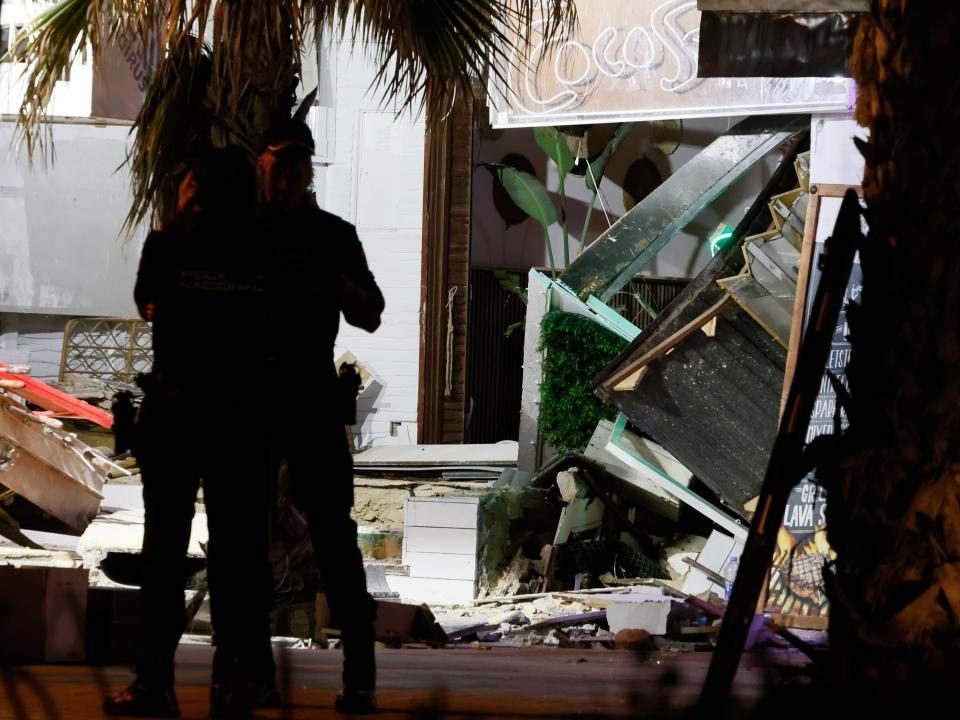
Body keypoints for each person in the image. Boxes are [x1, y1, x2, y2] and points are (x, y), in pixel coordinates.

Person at [105, 147, 275, 720]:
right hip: (239, 418)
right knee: (237, 557)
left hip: (178, 415)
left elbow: (147, 305)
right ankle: (231, 684)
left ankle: (155, 683)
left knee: (164, 555)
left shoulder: (166, 244)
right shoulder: (259, 247)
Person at [258, 118, 384, 714]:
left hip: (309, 399)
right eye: (276, 166)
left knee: (335, 539)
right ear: (261, 167)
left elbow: (371, 313)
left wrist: (329, 277)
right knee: (245, 540)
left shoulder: (333, 235)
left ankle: (359, 676)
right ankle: (253, 672)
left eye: (295, 167)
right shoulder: (241, 233)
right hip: (252, 403)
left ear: (309, 171)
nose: (285, 178)